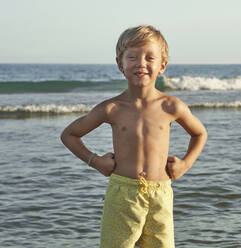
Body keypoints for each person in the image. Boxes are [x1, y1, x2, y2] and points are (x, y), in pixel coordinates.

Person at [60, 25, 207, 248]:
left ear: (162, 65)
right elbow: (69, 135)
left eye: (150, 57)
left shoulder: (171, 106)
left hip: (161, 194)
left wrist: (185, 164)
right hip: (123, 194)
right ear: (120, 64)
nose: (141, 63)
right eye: (132, 57)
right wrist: (95, 161)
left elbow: (199, 133)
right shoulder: (112, 108)